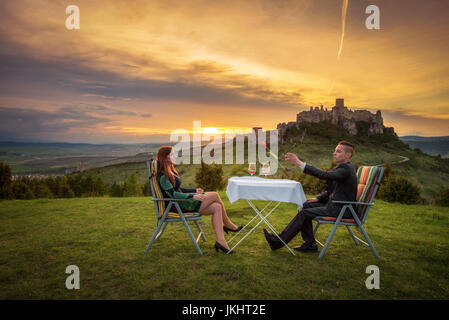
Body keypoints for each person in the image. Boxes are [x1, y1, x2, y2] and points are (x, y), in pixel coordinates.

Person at [263, 140, 358, 253]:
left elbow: (324, 175)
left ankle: (278, 242)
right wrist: (318, 198)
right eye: (334, 151)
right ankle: (310, 244)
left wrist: (299, 163)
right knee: (305, 206)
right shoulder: (343, 168)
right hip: (337, 205)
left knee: (304, 213)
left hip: (342, 209)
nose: (334, 153)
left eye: (338, 151)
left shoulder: (345, 169)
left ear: (348, 155)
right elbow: (332, 190)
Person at [156, 146, 242, 254]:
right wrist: (193, 196)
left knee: (217, 207)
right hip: (178, 206)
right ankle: (228, 224)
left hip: (183, 203)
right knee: (215, 195)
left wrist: (194, 190)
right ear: (166, 157)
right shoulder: (163, 176)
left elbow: (179, 190)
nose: (175, 156)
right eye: (173, 154)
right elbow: (173, 194)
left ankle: (221, 242)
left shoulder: (170, 171)